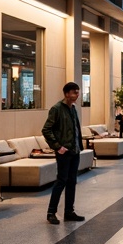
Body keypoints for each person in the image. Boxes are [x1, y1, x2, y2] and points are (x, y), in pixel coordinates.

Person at [43, 81, 84, 224]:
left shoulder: (73, 109)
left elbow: (75, 129)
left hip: (75, 150)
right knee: (61, 181)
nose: (77, 95)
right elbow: (46, 130)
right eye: (74, 92)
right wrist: (57, 146)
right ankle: (51, 212)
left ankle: (69, 211)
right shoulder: (57, 109)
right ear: (67, 94)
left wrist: (79, 146)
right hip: (64, 152)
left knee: (72, 182)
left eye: (78, 92)